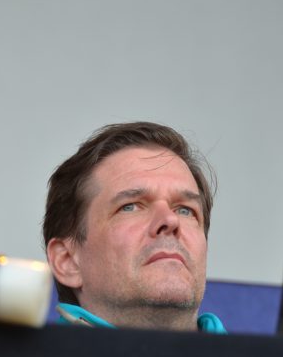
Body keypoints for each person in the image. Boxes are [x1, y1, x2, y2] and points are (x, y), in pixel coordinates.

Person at [42, 122, 226, 333]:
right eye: (130, 207)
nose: (170, 220)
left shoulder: (258, 356)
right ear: (67, 261)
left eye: (185, 210)